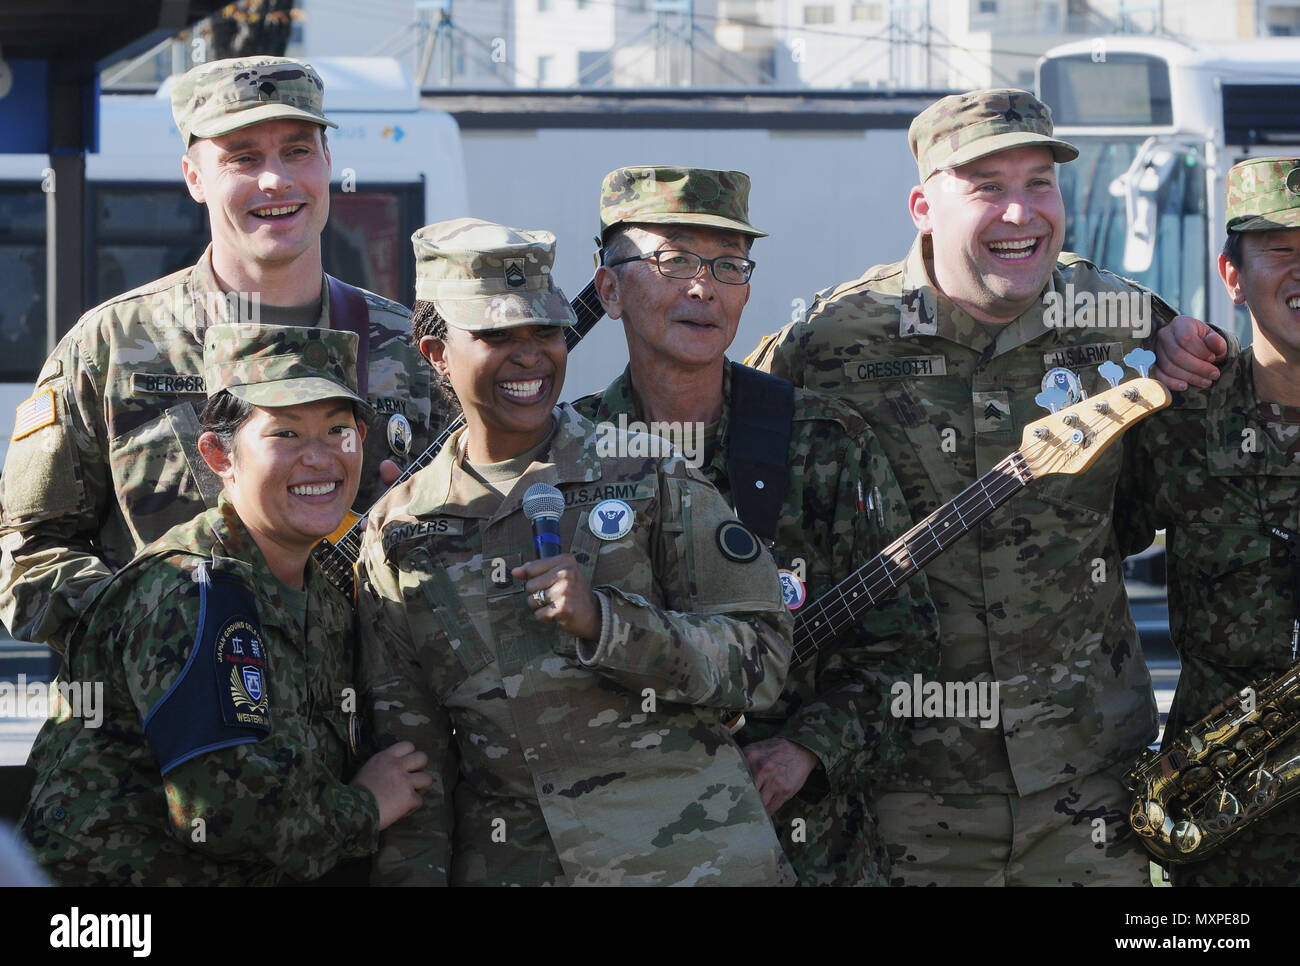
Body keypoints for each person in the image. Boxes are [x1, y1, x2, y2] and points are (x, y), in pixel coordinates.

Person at [748, 88, 1232, 886]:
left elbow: (1189, 461)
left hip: (1089, 797)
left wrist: (1192, 344)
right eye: (986, 187)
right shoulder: (827, 345)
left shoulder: (1119, 319)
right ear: (922, 206)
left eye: (1039, 182)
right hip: (905, 802)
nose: (1021, 212)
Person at [357, 218, 795, 885]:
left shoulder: (649, 472)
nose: (530, 355)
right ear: (437, 353)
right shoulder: (399, 530)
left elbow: (761, 660)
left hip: (688, 863)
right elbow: (413, 761)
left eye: (545, 331)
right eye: (498, 336)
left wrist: (609, 623)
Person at [571, 165, 938, 885]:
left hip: (802, 853)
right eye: (672, 260)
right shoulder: (567, 454)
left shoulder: (822, 442)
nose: (703, 286)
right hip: (619, 851)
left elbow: (908, 650)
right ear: (609, 288)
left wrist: (806, 749)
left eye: (728, 264)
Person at [0, 55, 436, 655]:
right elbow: (30, 554)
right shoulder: (110, 346)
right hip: (173, 736)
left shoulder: (410, 349)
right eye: (243, 158)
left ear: (329, 163)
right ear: (194, 177)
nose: (276, 180)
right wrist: (158, 627)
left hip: (359, 735)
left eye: (298, 150)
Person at [20, 324, 431, 885]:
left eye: (339, 430)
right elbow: (221, 816)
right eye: (286, 434)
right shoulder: (191, 589)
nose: (319, 458)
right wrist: (367, 806)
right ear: (219, 454)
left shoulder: (325, 595)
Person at [1116, 157, 1300, 886]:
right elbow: (1073, 554)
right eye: (1281, 252)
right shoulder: (1178, 419)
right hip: (1226, 810)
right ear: (1232, 272)